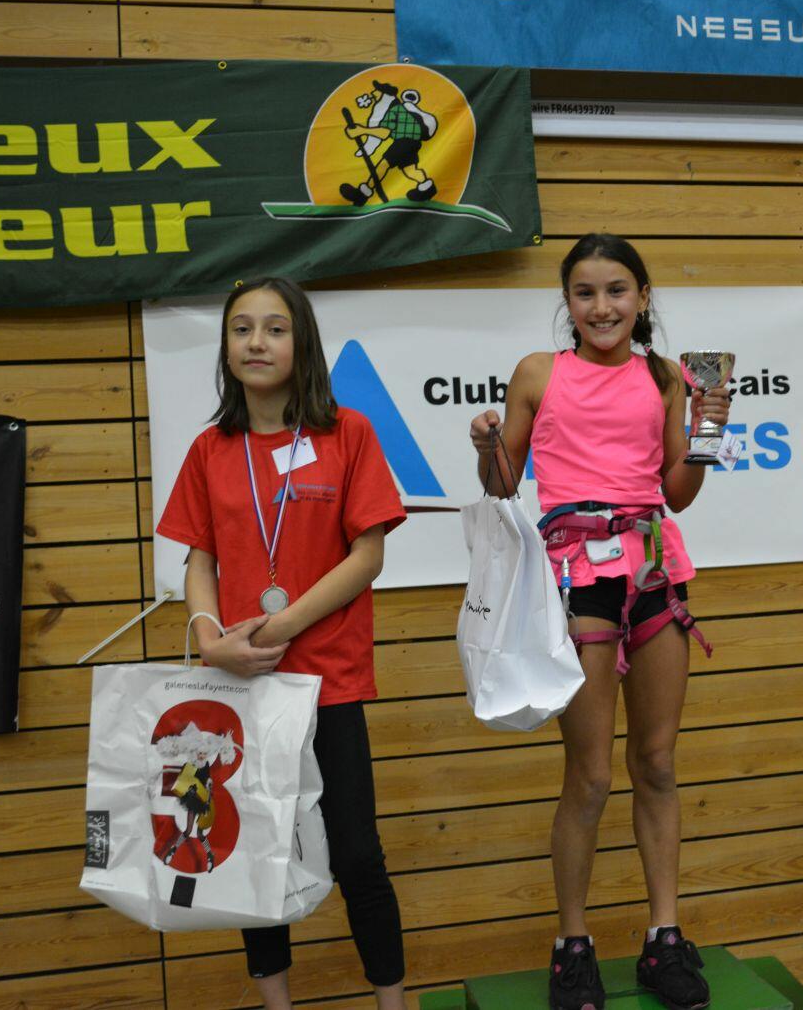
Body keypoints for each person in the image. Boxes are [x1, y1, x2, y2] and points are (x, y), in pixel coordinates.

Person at [468, 233, 730, 1010]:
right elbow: (503, 482)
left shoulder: (668, 377)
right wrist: (486, 444)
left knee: (657, 762)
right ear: (568, 302)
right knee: (588, 775)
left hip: (656, 575)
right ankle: (572, 945)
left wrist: (710, 428)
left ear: (642, 298)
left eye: (617, 290)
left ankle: (664, 937)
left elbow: (677, 493)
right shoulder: (538, 372)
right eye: (585, 292)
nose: (602, 306)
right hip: (573, 583)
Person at [157, 277, 407, 1010]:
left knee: (357, 854)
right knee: (257, 852)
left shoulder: (347, 433)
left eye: (274, 328)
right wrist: (211, 641)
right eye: (241, 329)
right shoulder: (210, 448)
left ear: (302, 343)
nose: (256, 342)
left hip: (328, 680)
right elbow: (199, 560)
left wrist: (282, 625)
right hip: (244, 686)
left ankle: (394, 1001)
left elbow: (367, 556)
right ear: (226, 347)